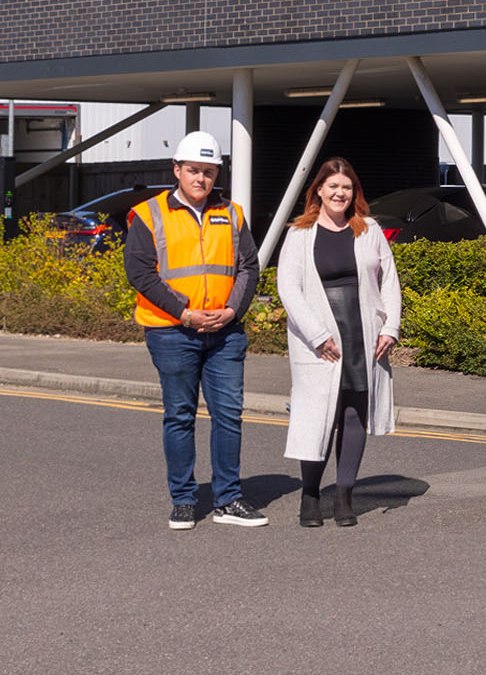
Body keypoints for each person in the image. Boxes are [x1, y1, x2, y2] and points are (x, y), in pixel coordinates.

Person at [125, 131, 263, 530]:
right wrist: (185, 313)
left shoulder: (232, 214)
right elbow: (139, 272)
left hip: (225, 330)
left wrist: (233, 309)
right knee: (180, 415)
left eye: (208, 171)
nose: (200, 178)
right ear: (177, 170)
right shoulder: (150, 214)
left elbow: (248, 267)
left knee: (228, 416)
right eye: (193, 170)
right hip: (172, 331)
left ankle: (228, 499)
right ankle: (184, 500)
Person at [276, 158, 401, 528]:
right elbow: (289, 289)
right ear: (318, 189)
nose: (339, 193)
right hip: (319, 340)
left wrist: (390, 328)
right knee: (317, 416)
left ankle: (345, 495)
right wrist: (316, 335)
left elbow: (389, 281)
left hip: (361, 334)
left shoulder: (369, 229)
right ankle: (311, 495)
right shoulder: (299, 234)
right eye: (333, 186)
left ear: (354, 193)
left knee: (352, 413)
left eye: (346, 187)